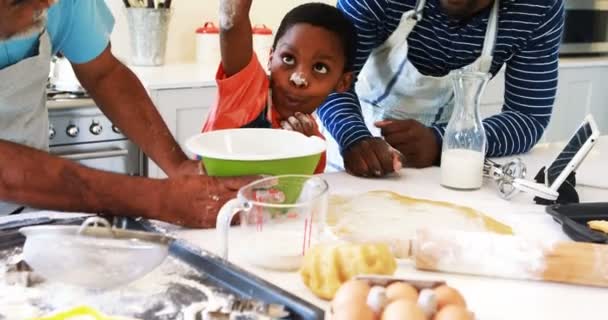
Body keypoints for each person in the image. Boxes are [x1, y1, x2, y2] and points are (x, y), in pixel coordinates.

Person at [0, 0, 256, 227]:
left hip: (25, 212)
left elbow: (104, 74)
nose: (51, 2)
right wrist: (160, 199)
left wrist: (178, 166)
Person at [316, 0, 565, 177]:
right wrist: (354, 138)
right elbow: (327, 83)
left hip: (447, 167)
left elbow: (528, 118)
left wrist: (445, 142)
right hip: (349, 157)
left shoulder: (538, 8)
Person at [201, 0, 357, 174]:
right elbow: (232, 21)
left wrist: (305, 152)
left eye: (320, 67)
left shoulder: (312, 141)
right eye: (288, 58)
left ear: (342, 82)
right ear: (270, 58)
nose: (299, 79)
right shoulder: (246, 90)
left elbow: (294, 195)